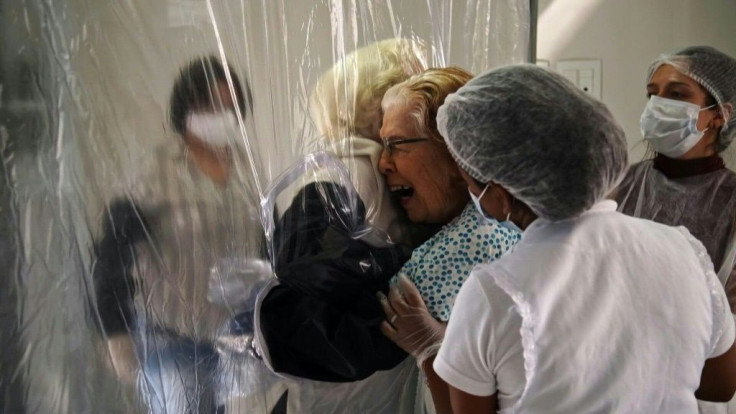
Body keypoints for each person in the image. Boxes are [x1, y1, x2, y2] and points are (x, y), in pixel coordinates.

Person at [426, 64, 736, 413]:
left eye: (470, 183)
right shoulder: (684, 250)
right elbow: (721, 384)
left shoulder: (493, 291)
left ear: (499, 194)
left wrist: (429, 350)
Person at [243, 38, 427, 413]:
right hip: (353, 391)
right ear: (378, 102)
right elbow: (300, 299)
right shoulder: (352, 174)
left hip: (354, 388)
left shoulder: (348, 171)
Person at [93, 55, 260, 413]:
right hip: (170, 339)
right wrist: (114, 331)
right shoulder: (155, 170)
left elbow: (267, 244)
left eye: (232, 106)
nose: (225, 116)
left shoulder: (249, 169)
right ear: (187, 107)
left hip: (234, 338)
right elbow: (112, 253)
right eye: (213, 105)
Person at [376, 67, 521, 413]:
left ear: (454, 150)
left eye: (395, 145)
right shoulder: (505, 225)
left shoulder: (469, 245)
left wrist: (433, 349)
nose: (382, 163)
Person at [616, 46, 736, 308]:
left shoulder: (730, 200)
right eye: (652, 94)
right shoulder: (618, 183)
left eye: (676, 94)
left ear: (719, 115)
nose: (658, 105)